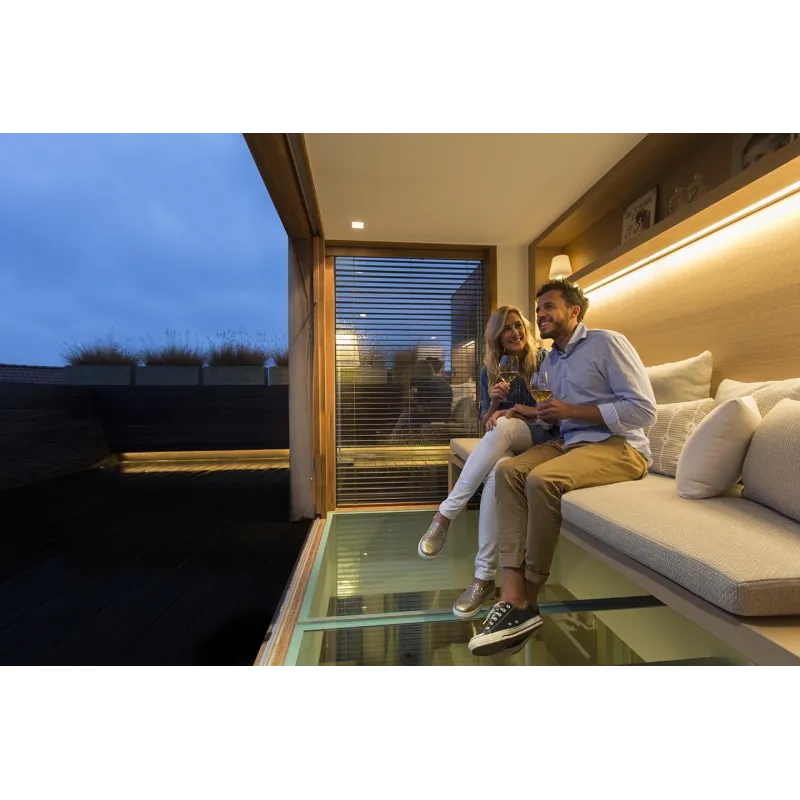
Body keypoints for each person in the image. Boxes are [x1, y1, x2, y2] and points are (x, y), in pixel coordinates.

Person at [468, 279, 657, 657]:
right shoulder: (551, 361)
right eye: (538, 309)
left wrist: (572, 411)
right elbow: (549, 414)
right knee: (507, 472)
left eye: (549, 307)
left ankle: (527, 601)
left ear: (574, 310)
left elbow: (643, 411)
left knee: (541, 480)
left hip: (618, 445)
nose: (540, 315)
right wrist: (514, 410)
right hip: (569, 442)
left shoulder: (607, 343)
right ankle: (510, 594)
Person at [417, 305, 558, 619]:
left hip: (544, 434)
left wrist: (516, 410)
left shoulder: (544, 360)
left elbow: (553, 410)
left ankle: (444, 515)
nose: (515, 332)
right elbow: (487, 420)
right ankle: (482, 578)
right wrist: (495, 401)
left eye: (518, 325)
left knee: (506, 424)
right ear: (497, 337)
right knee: (497, 469)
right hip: (510, 438)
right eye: (507, 328)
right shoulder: (489, 370)